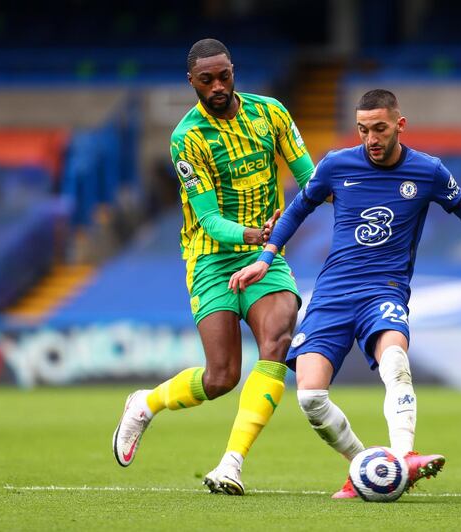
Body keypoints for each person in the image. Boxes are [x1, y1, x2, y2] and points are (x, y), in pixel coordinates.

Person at [229, 89, 461, 498]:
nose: (370, 138)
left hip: (384, 290)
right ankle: (366, 468)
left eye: (379, 129)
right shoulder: (337, 164)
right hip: (333, 293)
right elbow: (299, 207)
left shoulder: (428, 172)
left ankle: (404, 455)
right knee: (311, 398)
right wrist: (265, 258)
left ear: (399, 125)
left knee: (395, 361)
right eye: (362, 129)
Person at [112, 38, 315, 496]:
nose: (218, 86)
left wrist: (297, 215)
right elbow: (208, 219)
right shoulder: (187, 138)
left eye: (224, 76)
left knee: (279, 337)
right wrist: (254, 234)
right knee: (221, 377)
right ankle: (145, 403)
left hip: (266, 255)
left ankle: (232, 462)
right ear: (192, 82)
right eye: (207, 80)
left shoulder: (271, 113)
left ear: (233, 70)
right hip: (211, 256)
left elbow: (309, 178)